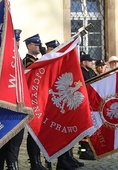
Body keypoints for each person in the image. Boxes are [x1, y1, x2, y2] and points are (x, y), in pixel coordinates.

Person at [44, 40, 84, 170]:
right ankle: (47, 161)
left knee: (64, 129)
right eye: (54, 49)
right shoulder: (45, 62)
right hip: (49, 104)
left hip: (59, 105)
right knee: (50, 134)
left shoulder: (59, 65)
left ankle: (65, 158)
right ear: (48, 49)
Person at [0, 29, 24, 170]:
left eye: (17, 40)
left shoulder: (19, 60)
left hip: (17, 108)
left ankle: (13, 165)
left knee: (14, 144)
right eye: (14, 40)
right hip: (0, 109)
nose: (16, 43)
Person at [23, 34, 46, 170]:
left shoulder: (36, 59)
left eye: (39, 45)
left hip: (38, 100)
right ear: (29, 46)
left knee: (38, 132)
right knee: (33, 132)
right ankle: (34, 162)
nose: (39, 47)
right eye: (36, 45)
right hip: (32, 101)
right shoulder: (28, 61)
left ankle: (37, 161)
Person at [78, 51, 97, 160]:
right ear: (83, 62)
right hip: (84, 102)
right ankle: (83, 150)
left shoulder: (90, 71)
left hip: (92, 102)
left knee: (90, 126)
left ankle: (89, 149)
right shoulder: (80, 72)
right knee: (84, 128)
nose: (92, 62)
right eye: (90, 61)